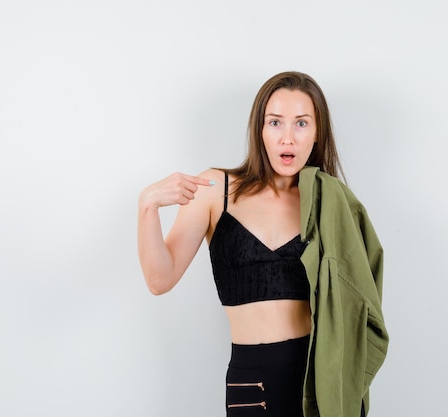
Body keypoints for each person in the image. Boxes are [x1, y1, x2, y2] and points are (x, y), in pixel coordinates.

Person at [138, 71, 388, 417]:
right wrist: (147, 206)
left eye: (301, 124)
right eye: (275, 123)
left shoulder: (330, 204)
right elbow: (159, 280)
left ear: (317, 134)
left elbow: (362, 300)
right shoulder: (216, 188)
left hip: (321, 382)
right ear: (260, 130)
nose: (288, 138)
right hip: (251, 384)